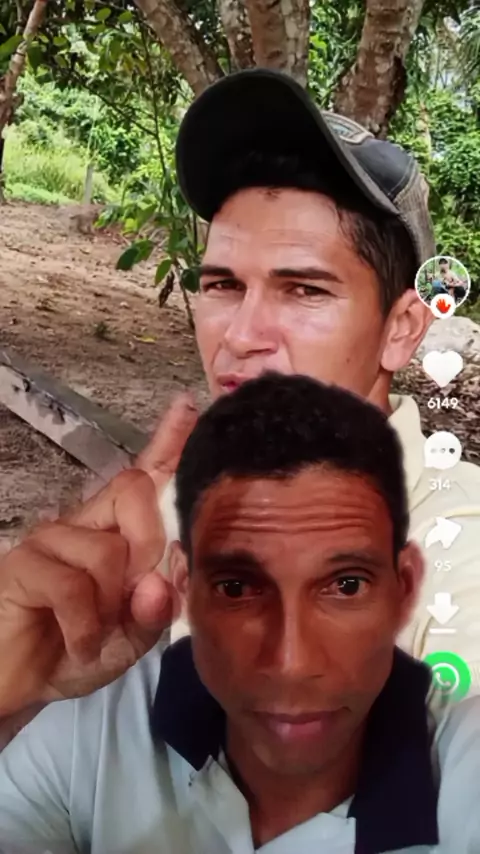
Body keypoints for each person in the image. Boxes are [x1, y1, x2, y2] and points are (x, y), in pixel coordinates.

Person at [1, 68, 480, 743]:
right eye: (224, 285)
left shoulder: (457, 557)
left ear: (401, 329)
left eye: (305, 290)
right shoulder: (154, 527)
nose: (241, 336)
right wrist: (15, 687)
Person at [1, 373, 480, 853]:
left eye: (345, 586)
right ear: (184, 584)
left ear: (404, 588)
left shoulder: (457, 758)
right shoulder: (99, 722)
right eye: (238, 588)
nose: (292, 663)